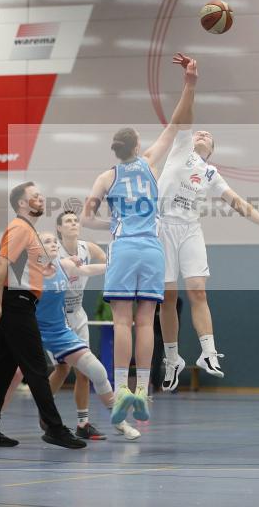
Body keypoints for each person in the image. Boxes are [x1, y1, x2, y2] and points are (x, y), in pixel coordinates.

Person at [81, 53, 197, 424]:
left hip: (124, 247)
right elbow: (177, 124)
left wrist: (112, 225)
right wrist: (190, 82)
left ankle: (119, 394)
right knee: (148, 322)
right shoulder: (148, 162)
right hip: (152, 248)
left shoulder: (105, 177)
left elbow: (86, 218)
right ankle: (144, 391)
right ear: (136, 145)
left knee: (121, 323)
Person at [158, 53, 259, 390]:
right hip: (162, 226)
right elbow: (186, 115)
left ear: (212, 149)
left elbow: (239, 203)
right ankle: (171, 358)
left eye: (208, 135)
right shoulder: (180, 149)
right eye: (199, 132)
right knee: (167, 298)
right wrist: (190, 83)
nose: (201, 133)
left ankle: (208, 351)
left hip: (189, 229)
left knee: (197, 290)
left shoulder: (212, 173)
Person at [0, 182, 84, 449]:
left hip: (21, 304)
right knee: (36, 368)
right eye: (35, 196)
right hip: (16, 305)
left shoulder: (30, 232)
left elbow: (38, 271)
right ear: (23, 204)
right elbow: (1, 262)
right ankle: (55, 429)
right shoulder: (20, 228)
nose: (40, 198)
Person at [4, 233, 140, 440]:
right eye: (47, 242)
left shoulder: (64, 265)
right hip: (32, 331)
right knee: (13, 376)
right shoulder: (26, 273)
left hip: (60, 332)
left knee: (97, 371)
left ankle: (119, 420)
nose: (53, 245)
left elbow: (87, 269)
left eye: (53, 242)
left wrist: (116, 265)